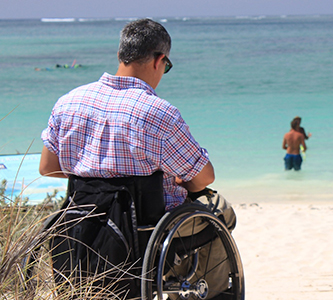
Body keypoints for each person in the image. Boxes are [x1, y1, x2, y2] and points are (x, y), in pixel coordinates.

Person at [39, 18, 217, 211]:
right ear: (159, 61)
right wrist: (180, 182)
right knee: (223, 211)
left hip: (84, 226)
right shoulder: (159, 113)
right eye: (166, 67)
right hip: (148, 230)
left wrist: (96, 181)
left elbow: (47, 168)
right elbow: (205, 177)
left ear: (120, 56)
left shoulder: (68, 102)